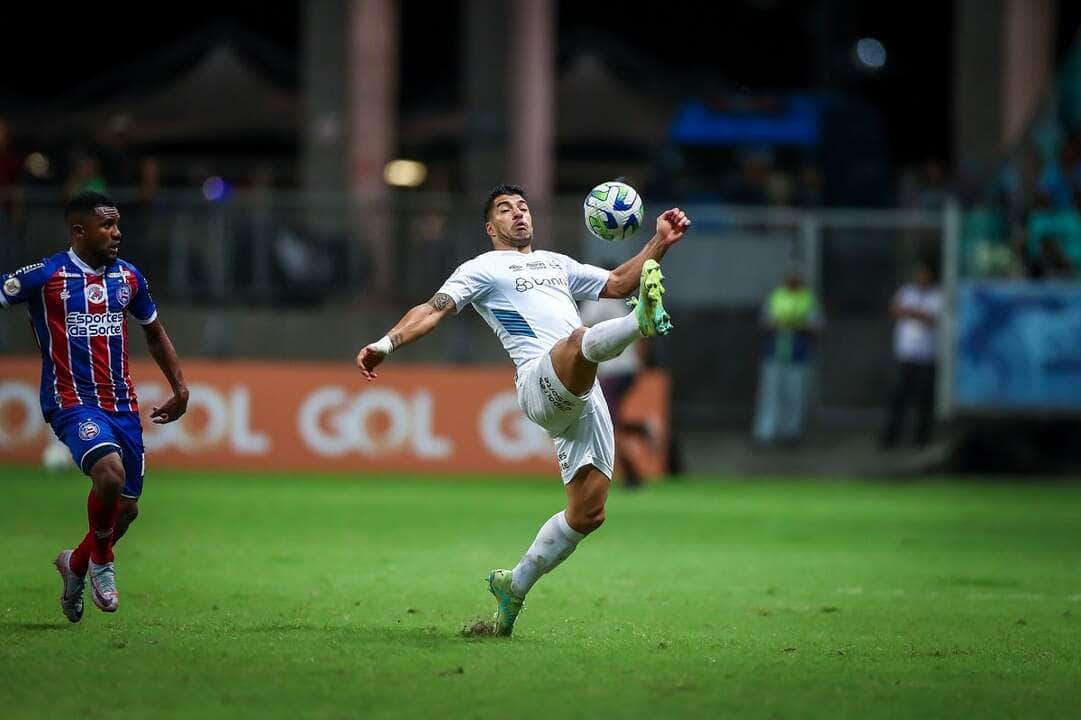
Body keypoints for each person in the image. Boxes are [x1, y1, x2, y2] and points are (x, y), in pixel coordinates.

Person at [356, 184, 690, 636]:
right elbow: (433, 309)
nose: (518, 214)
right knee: (577, 341)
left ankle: (512, 588)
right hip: (539, 381)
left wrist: (658, 243)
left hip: (582, 393)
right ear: (490, 227)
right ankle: (639, 321)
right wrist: (386, 342)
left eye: (524, 207)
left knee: (588, 515)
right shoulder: (482, 268)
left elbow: (617, 283)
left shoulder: (557, 264)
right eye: (505, 209)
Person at [0, 191, 189, 622]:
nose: (117, 232)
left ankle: (77, 563)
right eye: (107, 225)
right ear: (79, 231)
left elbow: (154, 332)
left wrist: (180, 386)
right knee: (109, 472)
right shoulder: (47, 275)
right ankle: (103, 563)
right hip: (70, 400)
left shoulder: (129, 278)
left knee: (126, 510)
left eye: (118, 224)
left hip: (121, 405)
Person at [579, 297, 653, 488]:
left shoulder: (595, 303)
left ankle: (631, 475)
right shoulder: (624, 303)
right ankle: (642, 430)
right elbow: (641, 333)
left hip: (611, 370)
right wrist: (639, 363)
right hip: (628, 369)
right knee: (609, 420)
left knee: (607, 423)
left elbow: (581, 333)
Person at [752, 268, 821, 446]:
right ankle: (766, 434)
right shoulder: (776, 296)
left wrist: (798, 324)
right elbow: (763, 324)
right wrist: (777, 324)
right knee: (770, 395)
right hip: (774, 352)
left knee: (795, 396)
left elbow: (817, 327)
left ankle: (791, 434)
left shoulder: (808, 299)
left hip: (799, 354)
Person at [880, 259, 942, 448]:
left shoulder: (938, 295)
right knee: (898, 397)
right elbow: (895, 309)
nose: (921, 277)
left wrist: (910, 311)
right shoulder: (907, 291)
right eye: (919, 273)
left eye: (925, 274)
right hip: (905, 355)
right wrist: (915, 312)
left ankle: (921, 439)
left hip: (927, 356)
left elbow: (932, 318)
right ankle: (891, 438)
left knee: (924, 400)